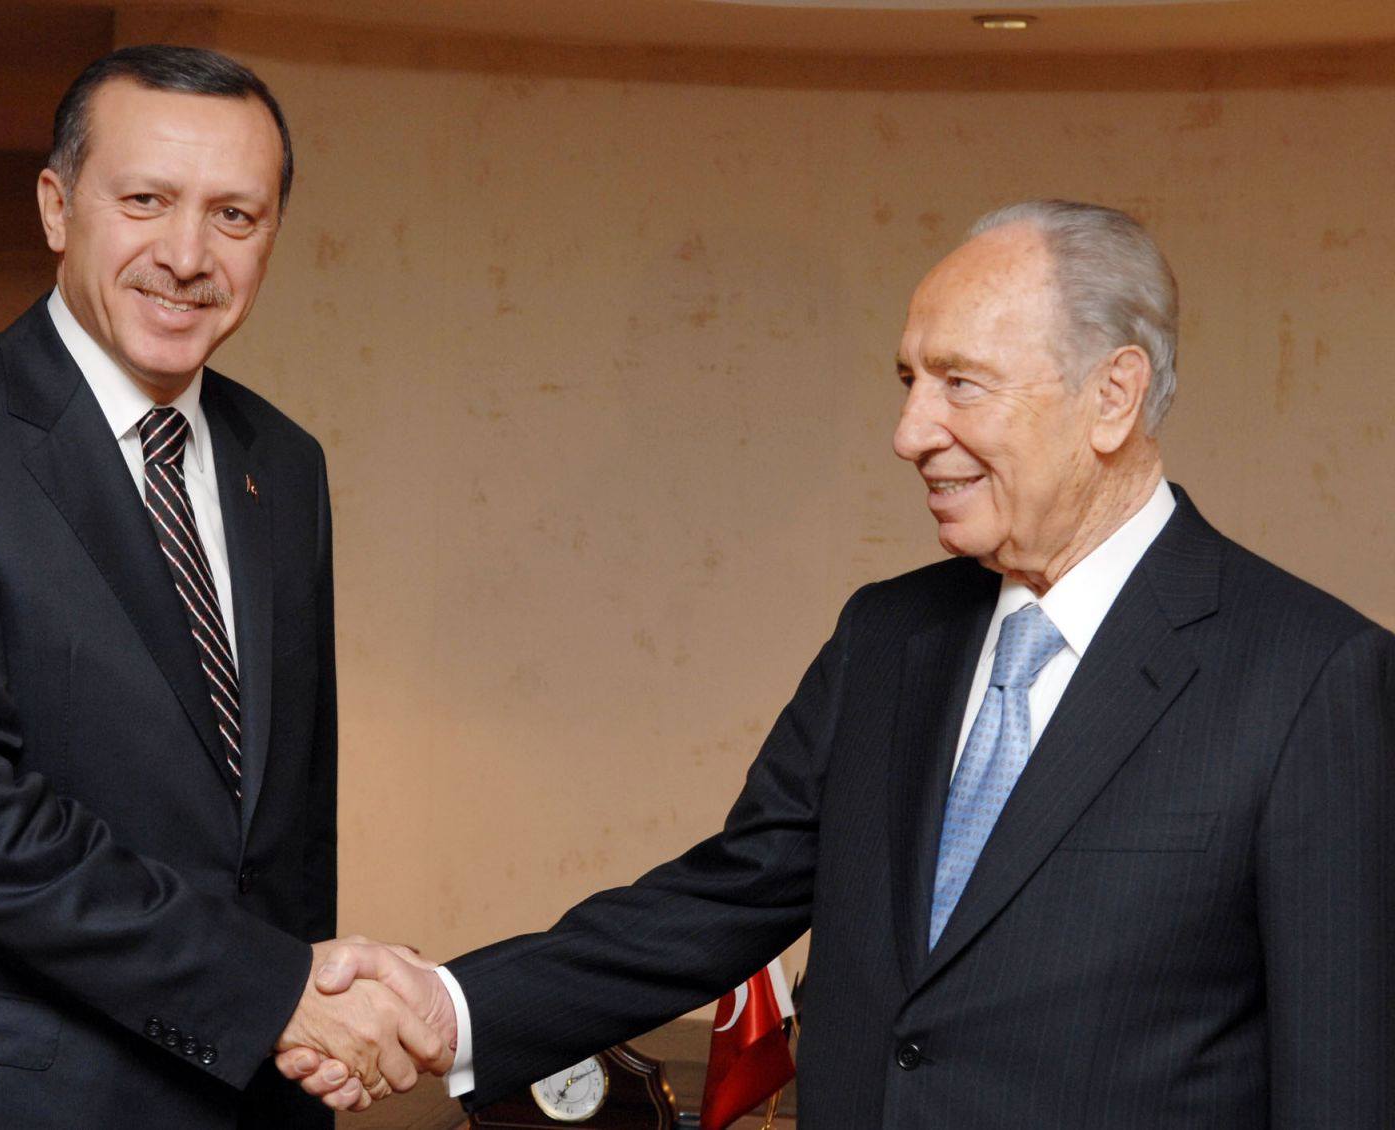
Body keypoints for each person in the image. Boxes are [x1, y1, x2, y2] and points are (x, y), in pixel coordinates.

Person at [290, 200, 1393, 1127]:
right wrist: (448, 1007)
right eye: (908, 379)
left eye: (960, 383)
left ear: (1112, 395)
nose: (910, 431)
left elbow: (1343, 1082)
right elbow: (723, 898)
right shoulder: (887, 637)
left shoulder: (1315, 678)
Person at [0, 45, 447, 1129]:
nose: (187, 255)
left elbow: (285, 836)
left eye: (234, 216)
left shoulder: (282, 463)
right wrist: (273, 992)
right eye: (146, 200)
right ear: (57, 208)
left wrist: (304, 1028)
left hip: (230, 1088)